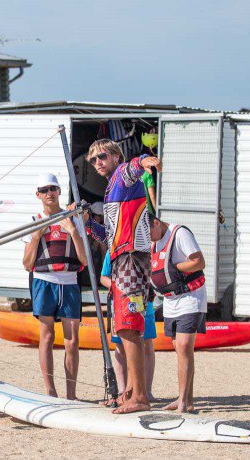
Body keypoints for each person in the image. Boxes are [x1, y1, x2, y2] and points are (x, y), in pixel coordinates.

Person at [83, 138, 161, 414]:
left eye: (102, 156)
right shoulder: (112, 190)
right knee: (128, 327)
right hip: (121, 259)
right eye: (93, 160)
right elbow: (109, 236)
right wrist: (88, 223)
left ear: (116, 156)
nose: (97, 163)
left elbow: (133, 167)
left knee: (128, 327)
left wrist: (145, 160)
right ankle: (132, 389)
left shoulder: (122, 177)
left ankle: (139, 396)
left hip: (130, 259)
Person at [22, 174, 88, 400]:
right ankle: (50, 391)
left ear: (59, 191)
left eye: (53, 188)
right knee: (47, 337)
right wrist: (36, 236)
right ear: (38, 194)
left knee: (72, 341)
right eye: (44, 190)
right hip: (44, 282)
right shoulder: (34, 221)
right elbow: (27, 264)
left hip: (69, 282)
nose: (49, 193)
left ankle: (71, 394)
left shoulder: (73, 220)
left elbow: (84, 260)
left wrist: (73, 231)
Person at [147, 213, 207, 414]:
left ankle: (182, 401)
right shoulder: (154, 241)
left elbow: (199, 262)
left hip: (190, 298)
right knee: (180, 350)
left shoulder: (180, 234)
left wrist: (174, 268)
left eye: (149, 233)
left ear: (156, 223)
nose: (149, 239)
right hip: (170, 301)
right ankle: (187, 400)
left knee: (184, 347)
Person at [99, 253, 157, 402]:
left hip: (142, 300)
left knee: (146, 343)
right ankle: (123, 390)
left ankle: (146, 390)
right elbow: (103, 277)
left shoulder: (145, 247)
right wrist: (119, 287)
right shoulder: (113, 251)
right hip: (120, 301)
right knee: (120, 346)